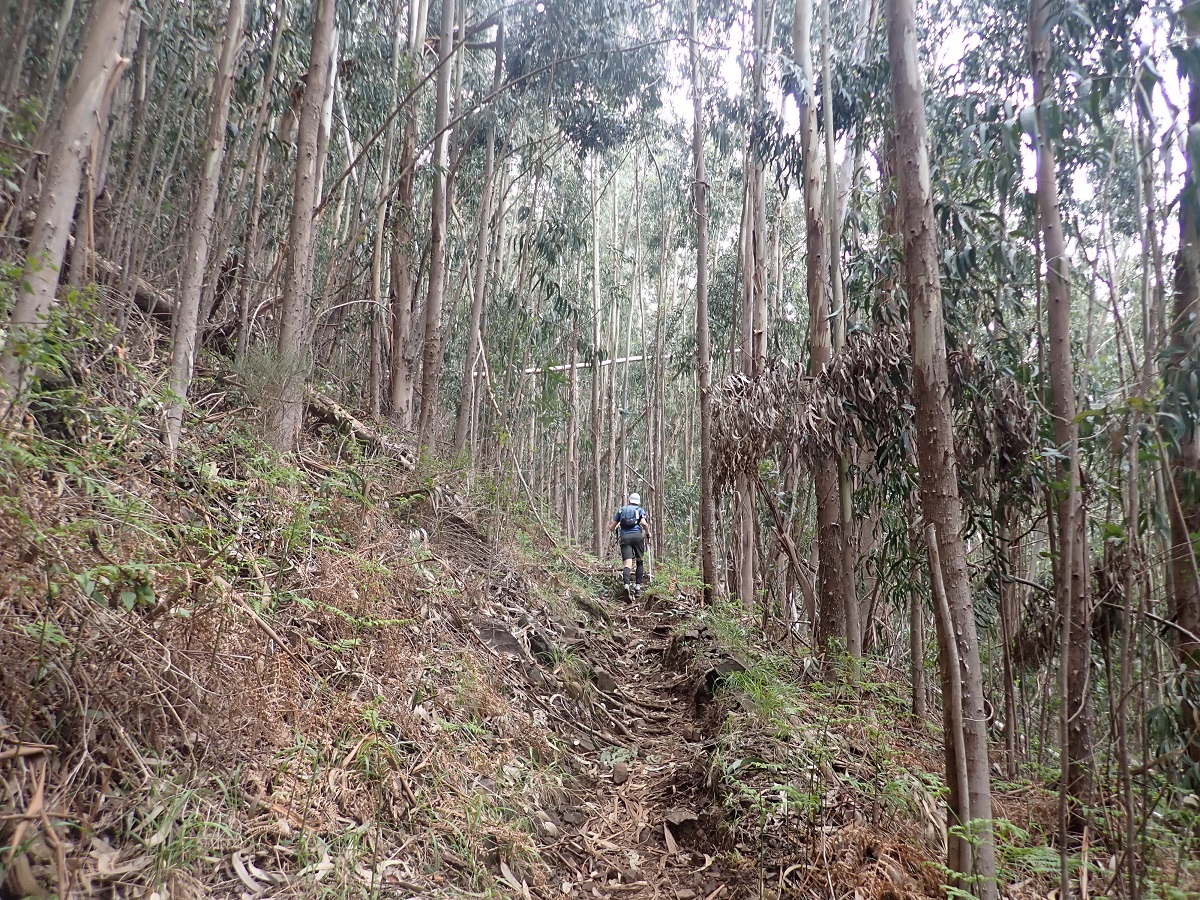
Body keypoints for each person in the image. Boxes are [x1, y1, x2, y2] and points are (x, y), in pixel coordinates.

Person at [610, 492, 649, 594]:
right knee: (639, 561)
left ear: (629, 500)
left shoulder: (622, 510)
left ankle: (626, 585)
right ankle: (637, 588)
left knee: (628, 563)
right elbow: (644, 523)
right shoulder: (640, 510)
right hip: (637, 537)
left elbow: (611, 527)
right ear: (638, 502)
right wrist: (648, 532)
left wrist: (617, 527)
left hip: (625, 537)